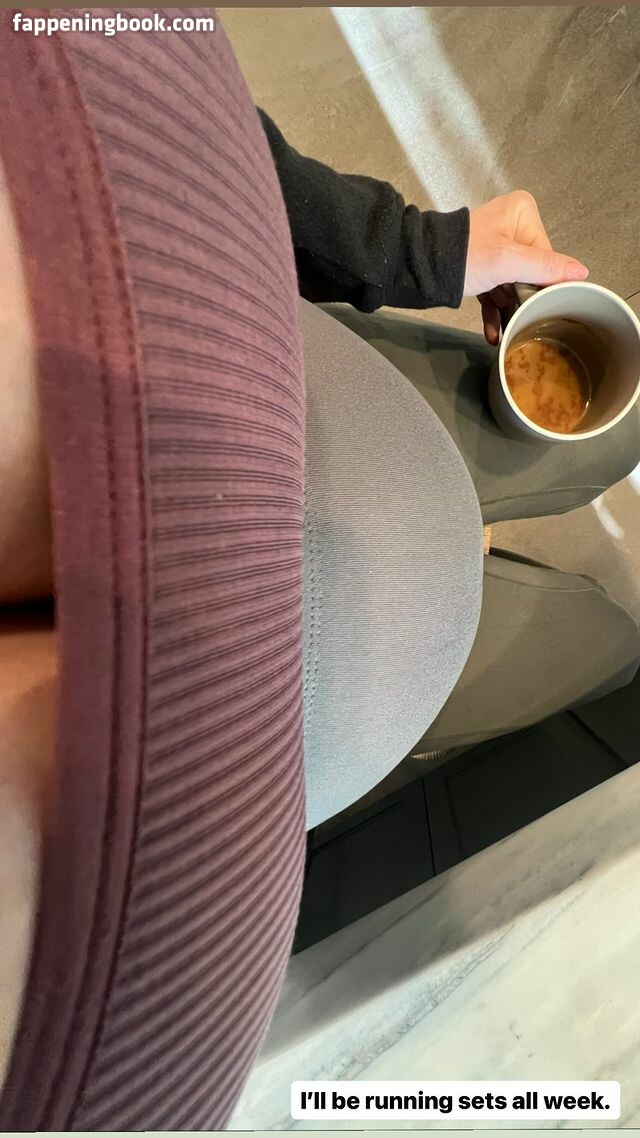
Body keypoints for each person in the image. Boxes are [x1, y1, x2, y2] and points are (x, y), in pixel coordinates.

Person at [0, 12, 638, 1129]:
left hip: (326, 412)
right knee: (596, 640)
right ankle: (495, 581)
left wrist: (419, 251)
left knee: (604, 455)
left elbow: (167, 111)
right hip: (364, 653)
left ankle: (478, 545)